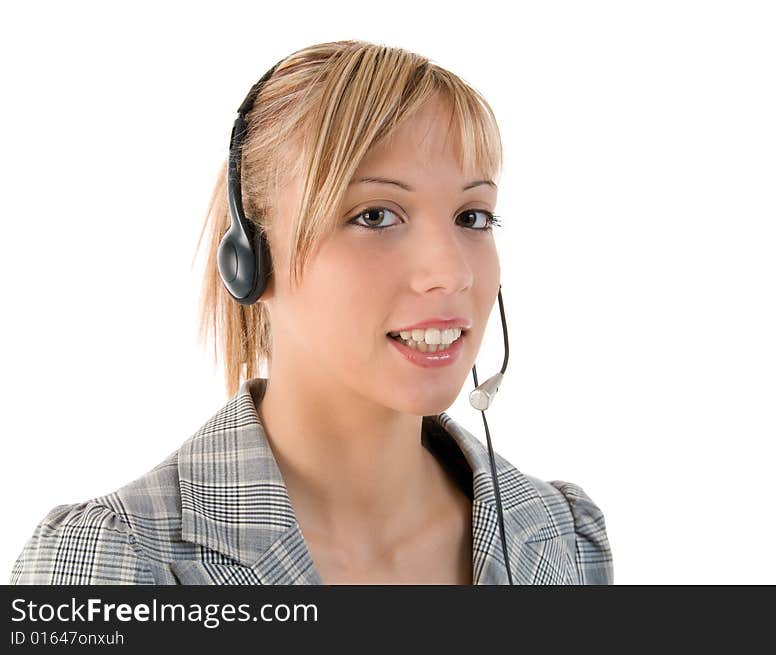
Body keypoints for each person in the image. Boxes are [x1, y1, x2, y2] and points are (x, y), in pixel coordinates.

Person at [10, 40, 613, 585]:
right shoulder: (116, 559)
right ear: (250, 261)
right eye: (375, 215)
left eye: (472, 217)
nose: (451, 272)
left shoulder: (561, 536)